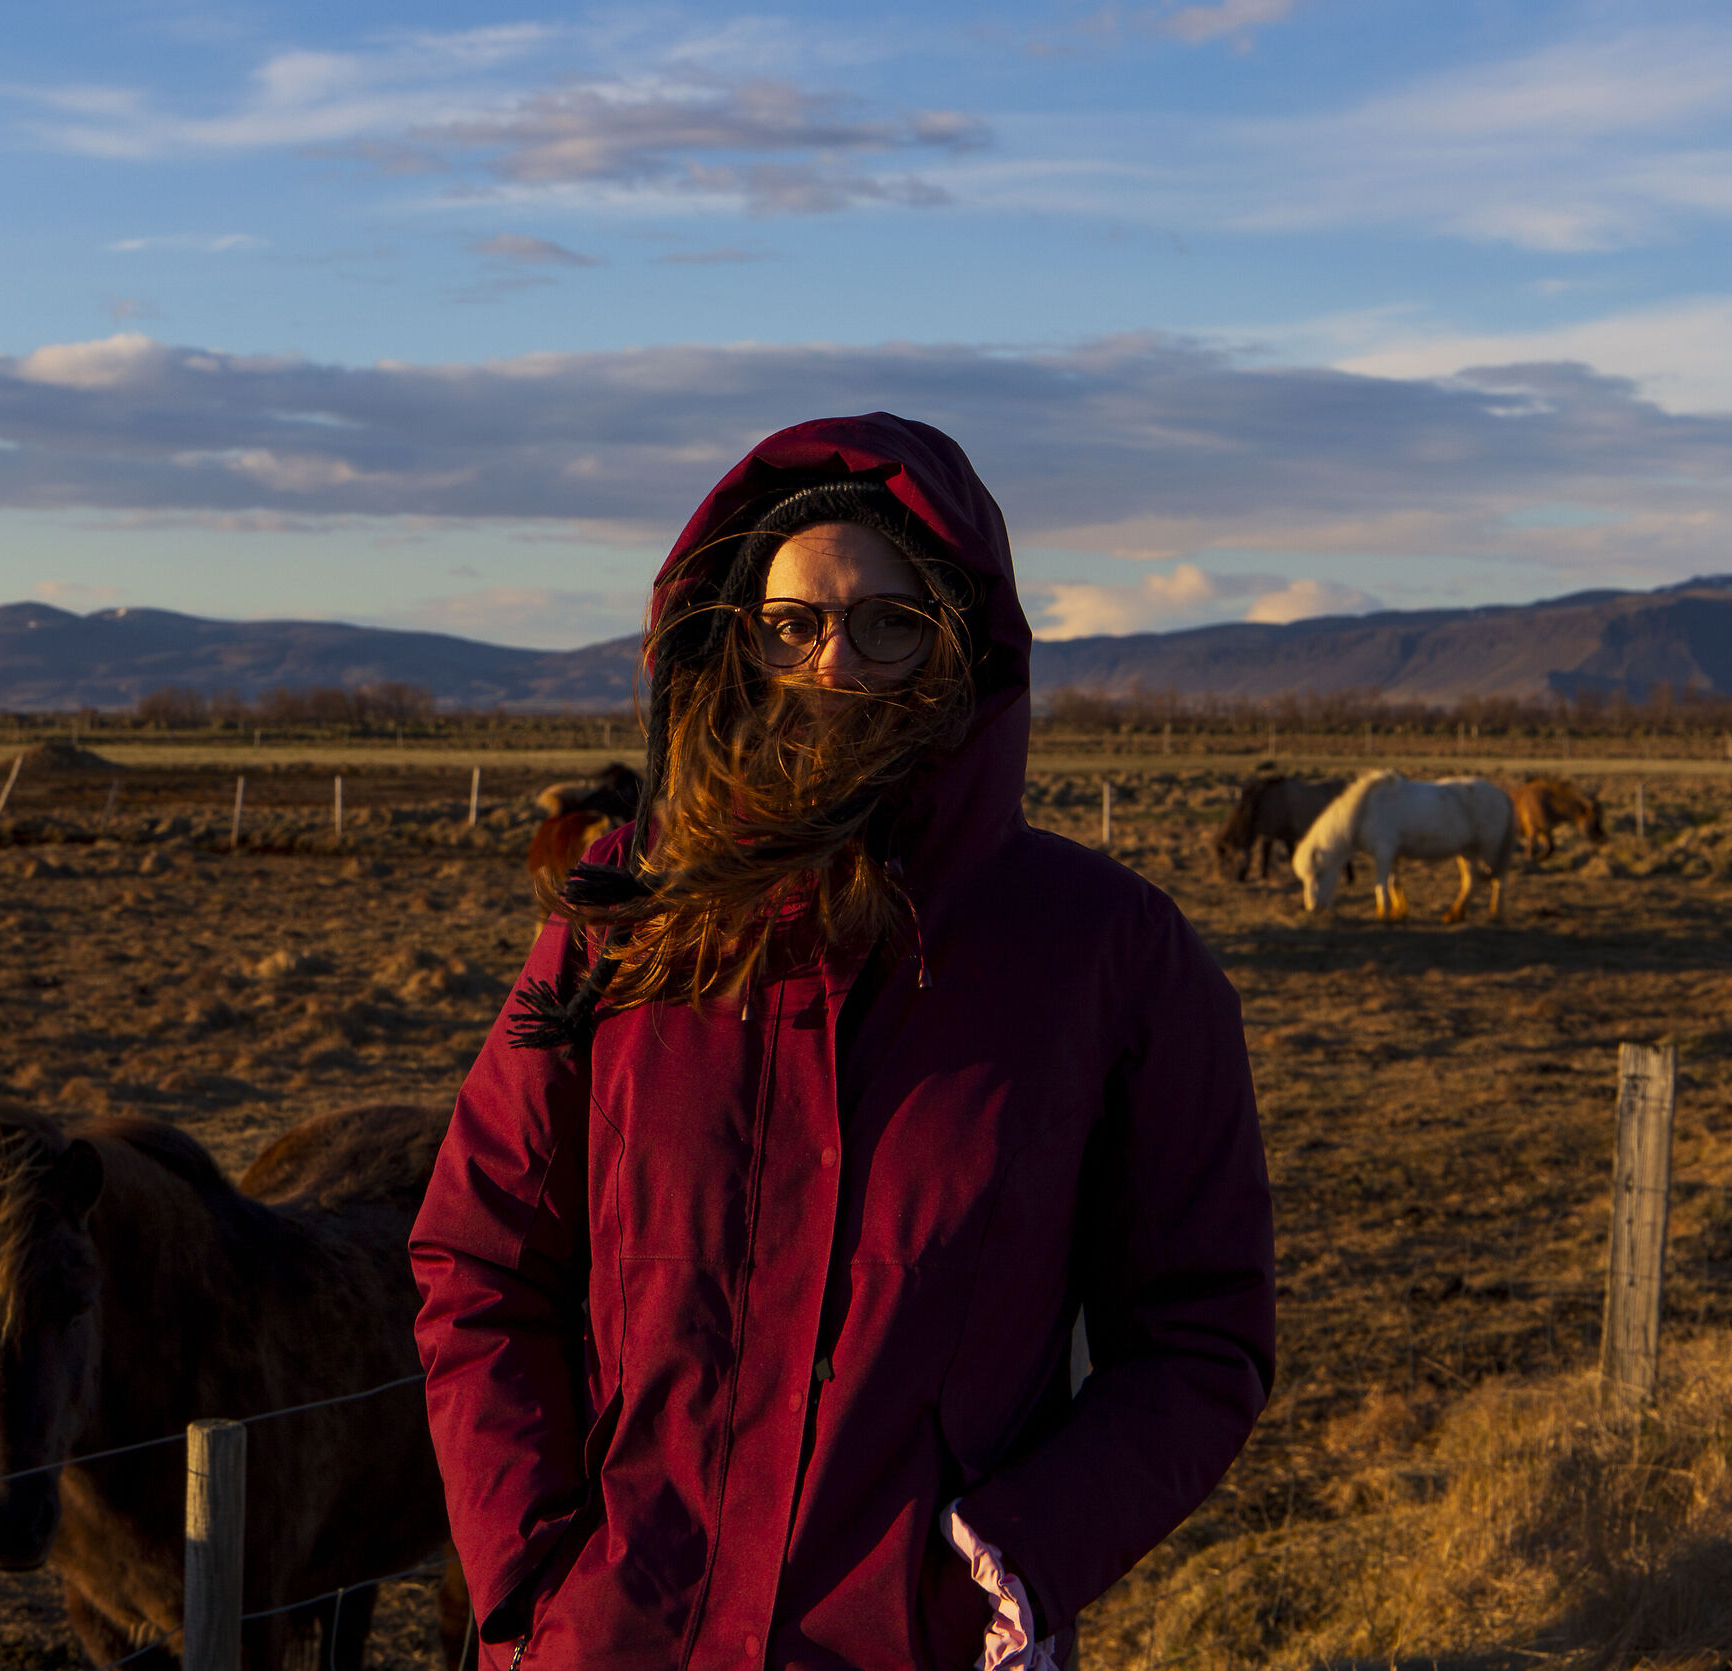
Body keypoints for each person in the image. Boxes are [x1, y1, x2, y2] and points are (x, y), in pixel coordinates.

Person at [410, 413, 1275, 1669]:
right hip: (610, 1641)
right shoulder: (632, 920)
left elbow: (1203, 1336)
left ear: (961, 645)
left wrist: (1019, 1549)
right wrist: (534, 1571)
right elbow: (479, 1260)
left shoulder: (1109, 953)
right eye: (793, 625)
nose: (836, 666)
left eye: (888, 621)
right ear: (733, 645)